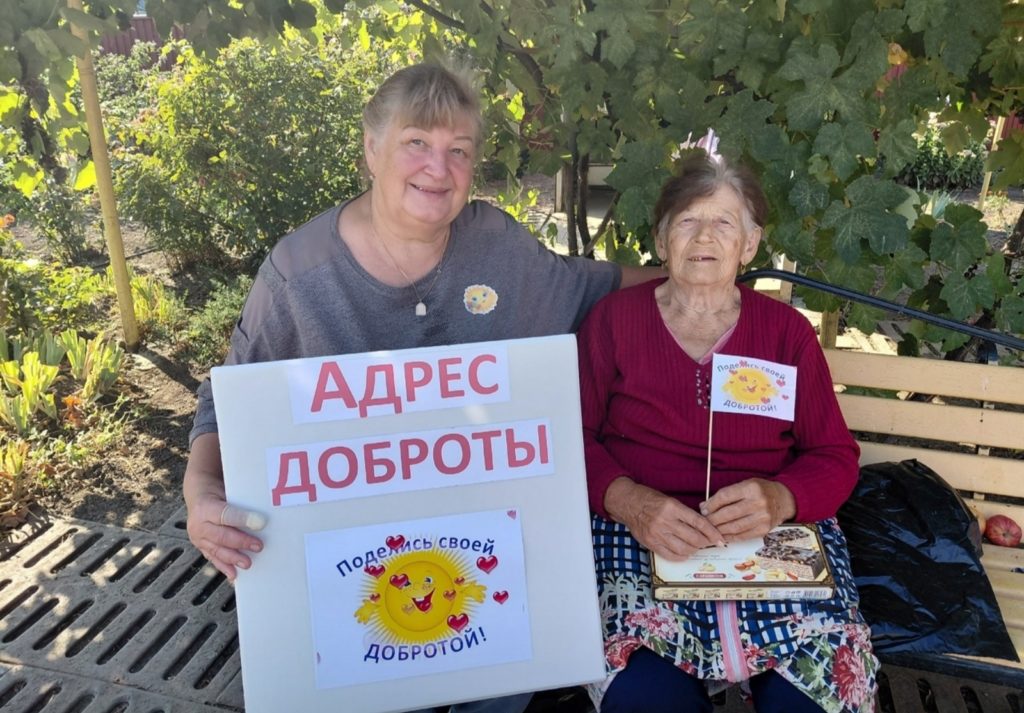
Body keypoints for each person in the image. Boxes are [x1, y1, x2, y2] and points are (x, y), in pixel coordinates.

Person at [183, 61, 658, 713]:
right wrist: (200, 492)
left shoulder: (495, 246)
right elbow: (231, 396)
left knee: (500, 682)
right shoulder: (300, 272)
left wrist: (700, 276)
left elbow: (590, 286)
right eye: (416, 143)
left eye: (458, 150)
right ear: (371, 149)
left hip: (480, 555)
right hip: (350, 566)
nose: (439, 167)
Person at [577, 150, 878, 713]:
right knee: (645, 698)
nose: (704, 236)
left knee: (814, 697)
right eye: (687, 221)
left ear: (750, 243)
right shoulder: (614, 321)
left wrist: (782, 497)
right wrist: (630, 502)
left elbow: (834, 454)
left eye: (724, 222)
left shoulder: (785, 333)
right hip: (639, 534)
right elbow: (574, 439)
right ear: (662, 239)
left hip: (769, 536)